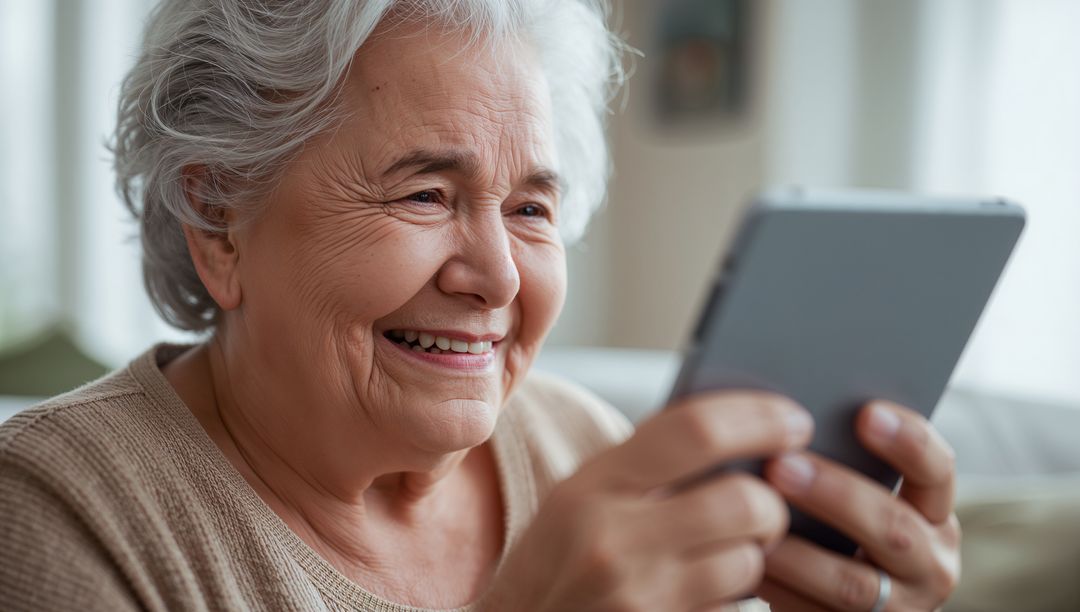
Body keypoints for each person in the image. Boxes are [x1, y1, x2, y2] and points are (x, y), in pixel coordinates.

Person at [0, 1, 959, 610]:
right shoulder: (56, 516)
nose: (498, 277)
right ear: (218, 220)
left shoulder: (579, 445)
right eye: (423, 194)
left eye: (532, 208)